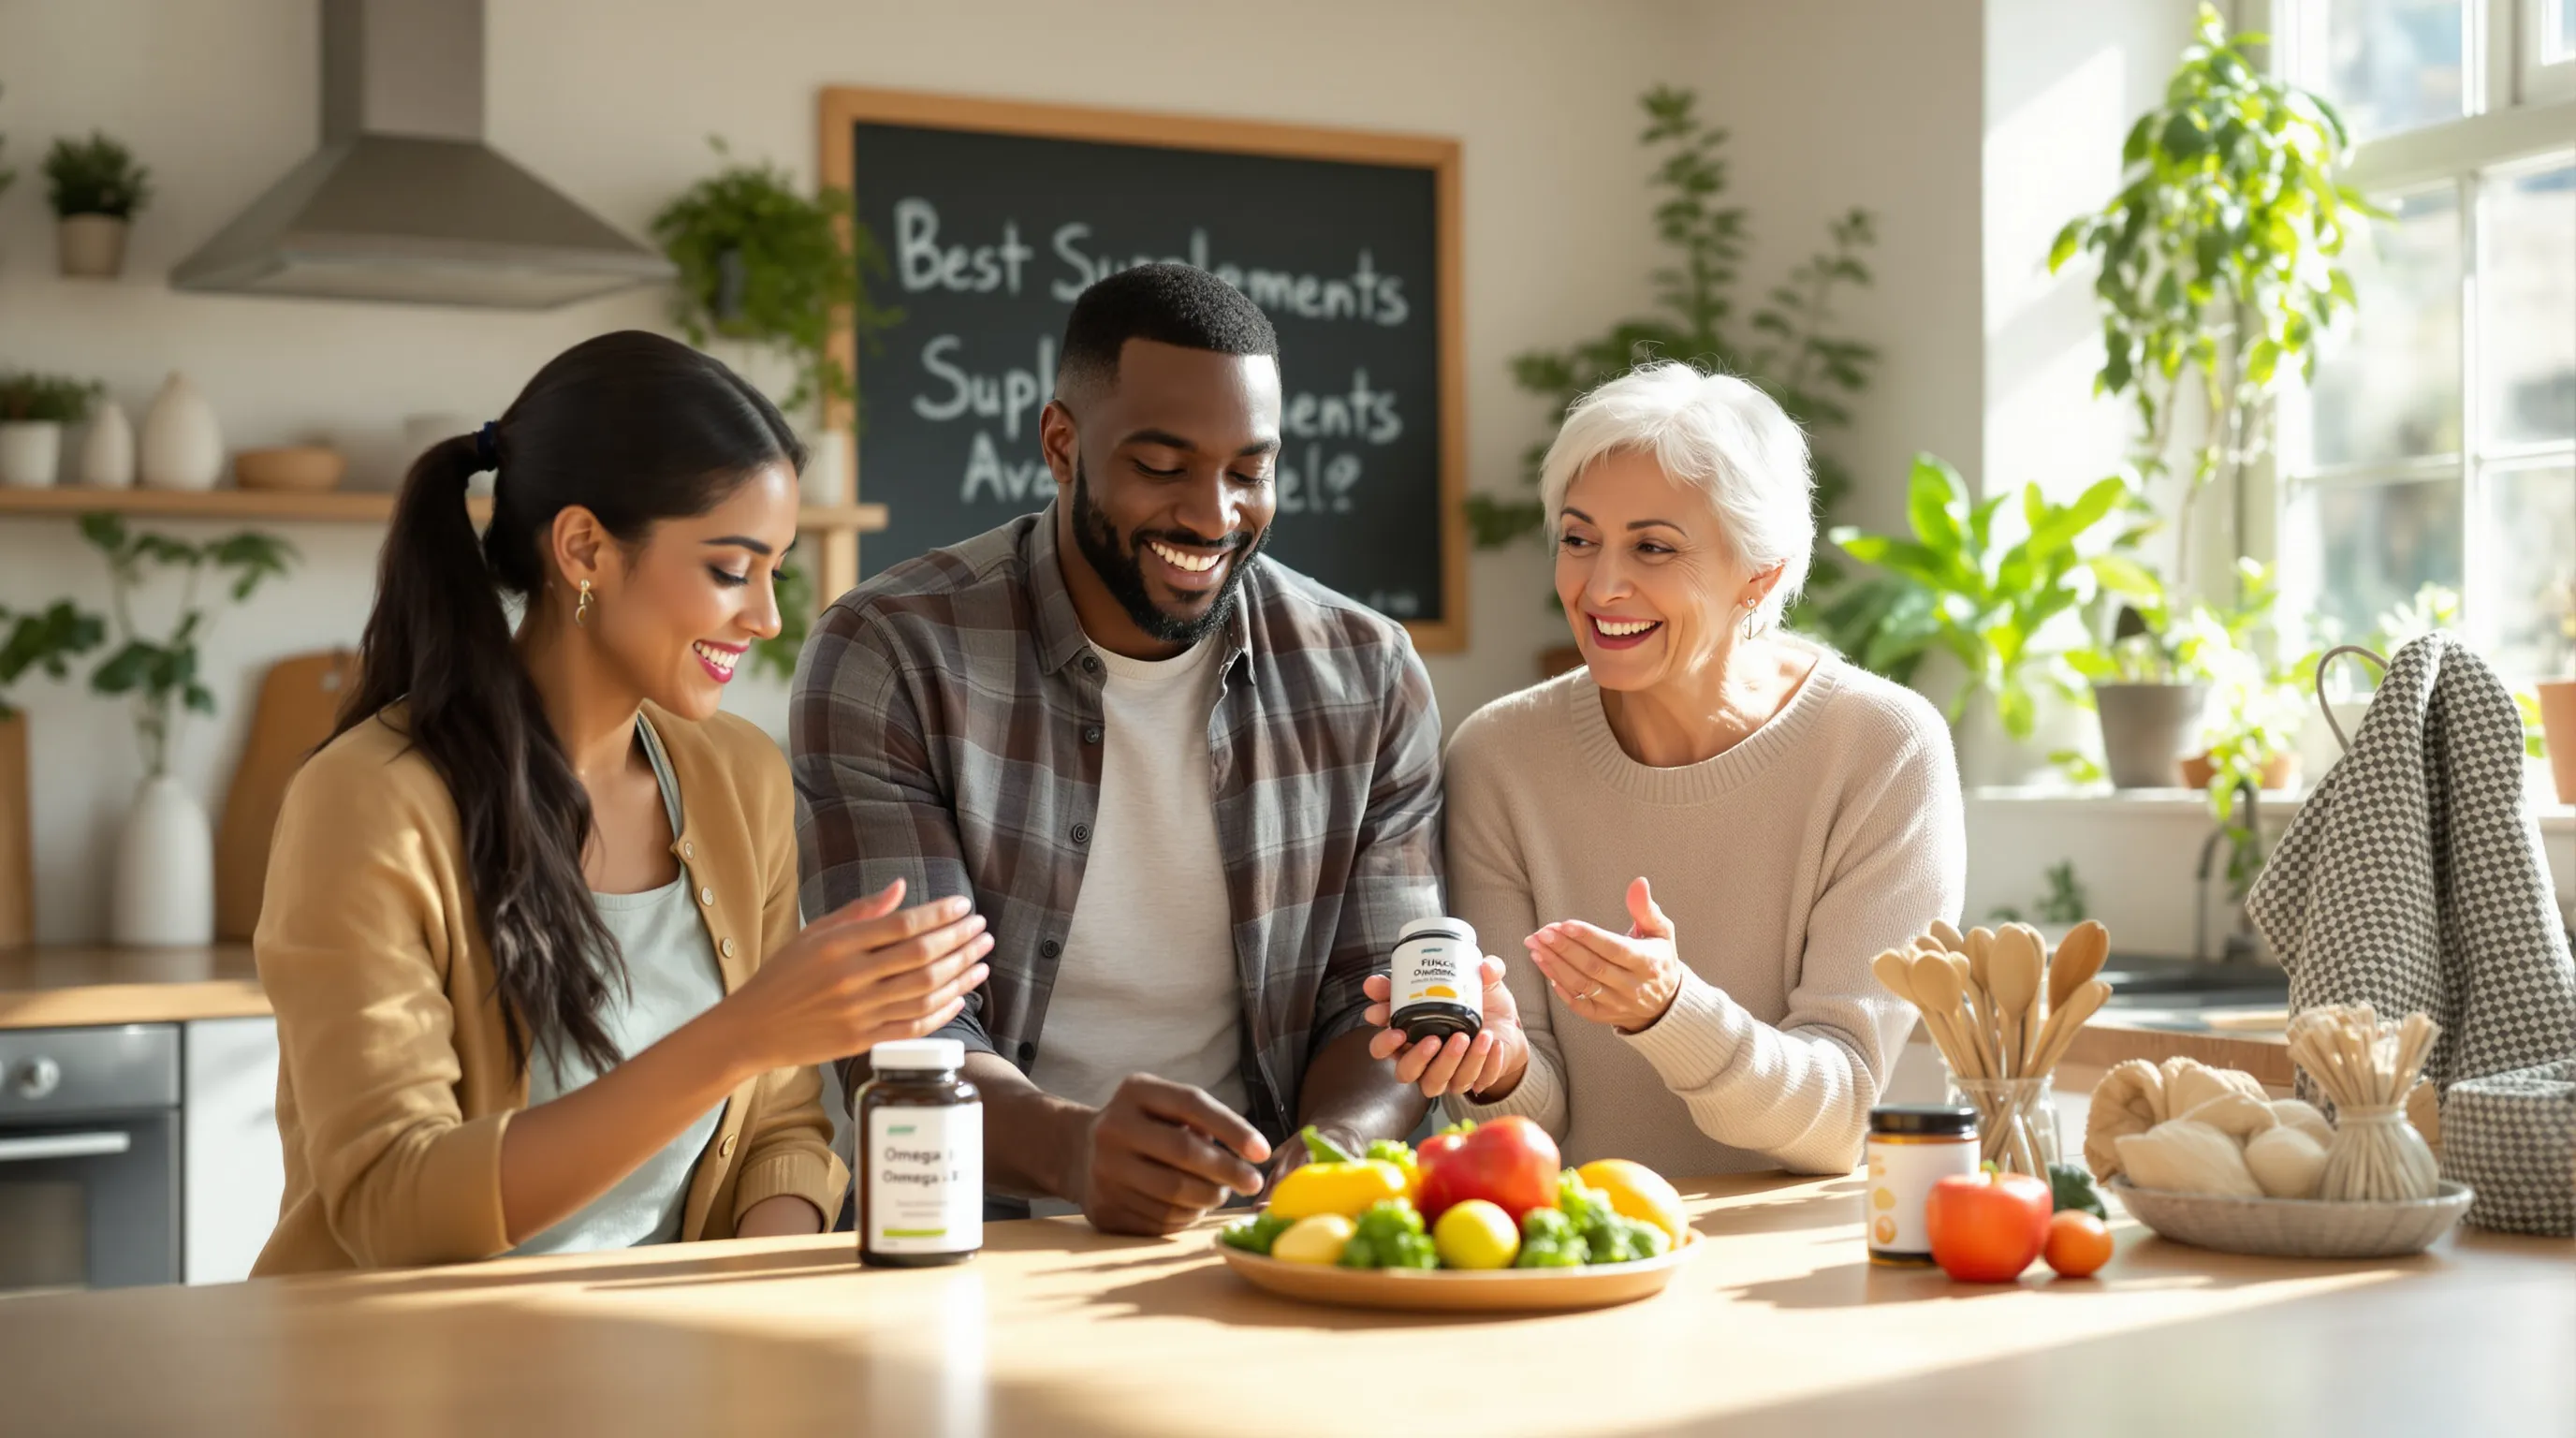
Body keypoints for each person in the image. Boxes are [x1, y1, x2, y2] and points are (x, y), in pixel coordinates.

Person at [254, 331, 992, 1275]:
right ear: (585, 549)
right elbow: (395, 1207)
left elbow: (781, 1134)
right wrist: (743, 1033)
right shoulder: (368, 802)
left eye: (776, 569)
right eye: (731, 569)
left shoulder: (738, 780)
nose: (766, 617)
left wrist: (750, 1315)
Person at [794, 264, 1442, 1235]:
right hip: (962, 1235)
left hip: (1260, 1240)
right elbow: (902, 1029)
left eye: (1248, 470)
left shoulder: (1368, 674)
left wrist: (1328, 1164)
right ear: (1061, 445)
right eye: (1161, 465)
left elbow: (1383, 999)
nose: (1213, 515)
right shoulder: (892, 651)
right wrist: (1073, 1149)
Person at [1365, 361, 1964, 1178]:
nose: (1601, 586)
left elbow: (1838, 1118)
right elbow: (1531, 1124)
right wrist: (1498, 1064)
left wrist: (1671, 1012)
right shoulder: (1499, 759)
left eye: (1653, 547)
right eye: (1579, 540)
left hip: (1782, 1272)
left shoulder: (1880, 750)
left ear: (1761, 576)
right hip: (1577, 1257)